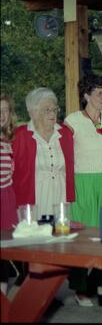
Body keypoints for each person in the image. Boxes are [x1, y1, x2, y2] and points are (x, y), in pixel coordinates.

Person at [64, 74, 102, 306]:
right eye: (99, 93)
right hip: (83, 181)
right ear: (86, 95)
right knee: (83, 237)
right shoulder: (73, 120)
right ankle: (80, 289)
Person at [12, 88, 75, 217]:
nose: (53, 113)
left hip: (60, 197)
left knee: (60, 234)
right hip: (33, 198)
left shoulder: (65, 133)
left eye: (55, 109)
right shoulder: (20, 135)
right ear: (33, 113)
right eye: (47, 110)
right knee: (35, 235)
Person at [0, 94, 18, 296]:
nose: (2, 114)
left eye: (5, 110)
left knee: (4, 250)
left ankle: (2, 298)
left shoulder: (8, 140)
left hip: (6, 198)